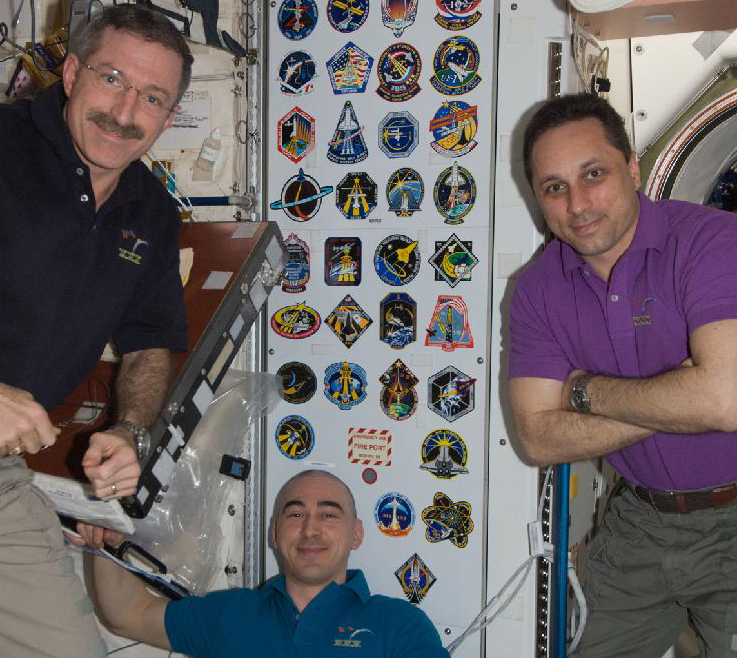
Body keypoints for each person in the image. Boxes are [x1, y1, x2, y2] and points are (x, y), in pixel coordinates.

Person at [509, 92, 737, 657]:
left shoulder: (711, 241)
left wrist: (588, 392)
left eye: (594, 174)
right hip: (640, 519)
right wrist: (676, 395)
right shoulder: (538, 288)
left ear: (632, 168)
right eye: (554, 187)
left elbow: (724, 400)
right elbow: (537, 438)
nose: (578, 204)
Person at [0, 6, 192, 657]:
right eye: (112, 78)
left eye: (152, 97)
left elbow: (148, 343)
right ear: (73, 71)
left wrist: (129, 432)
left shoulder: (153, 212)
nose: (124, 110)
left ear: (168, 118)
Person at [74, 469, 451, 657]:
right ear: (274, 533)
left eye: (329, 515)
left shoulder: (400, 626)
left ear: (356, 534)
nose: (310, 530)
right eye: (295, 515)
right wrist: (107, 537)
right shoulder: (230, 614)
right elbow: (127, 614)